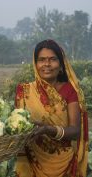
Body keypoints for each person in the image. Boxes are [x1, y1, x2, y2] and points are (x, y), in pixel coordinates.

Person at [15, 39, 88, 177]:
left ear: (61, 65)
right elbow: (16, 127)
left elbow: (75, 131)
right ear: (35, 64)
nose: (47, 64)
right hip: (32, 162)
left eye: (52, 59)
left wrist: (49, 129)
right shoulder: (24, 91)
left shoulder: (70, 91)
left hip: (65, 164)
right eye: (41, 60)